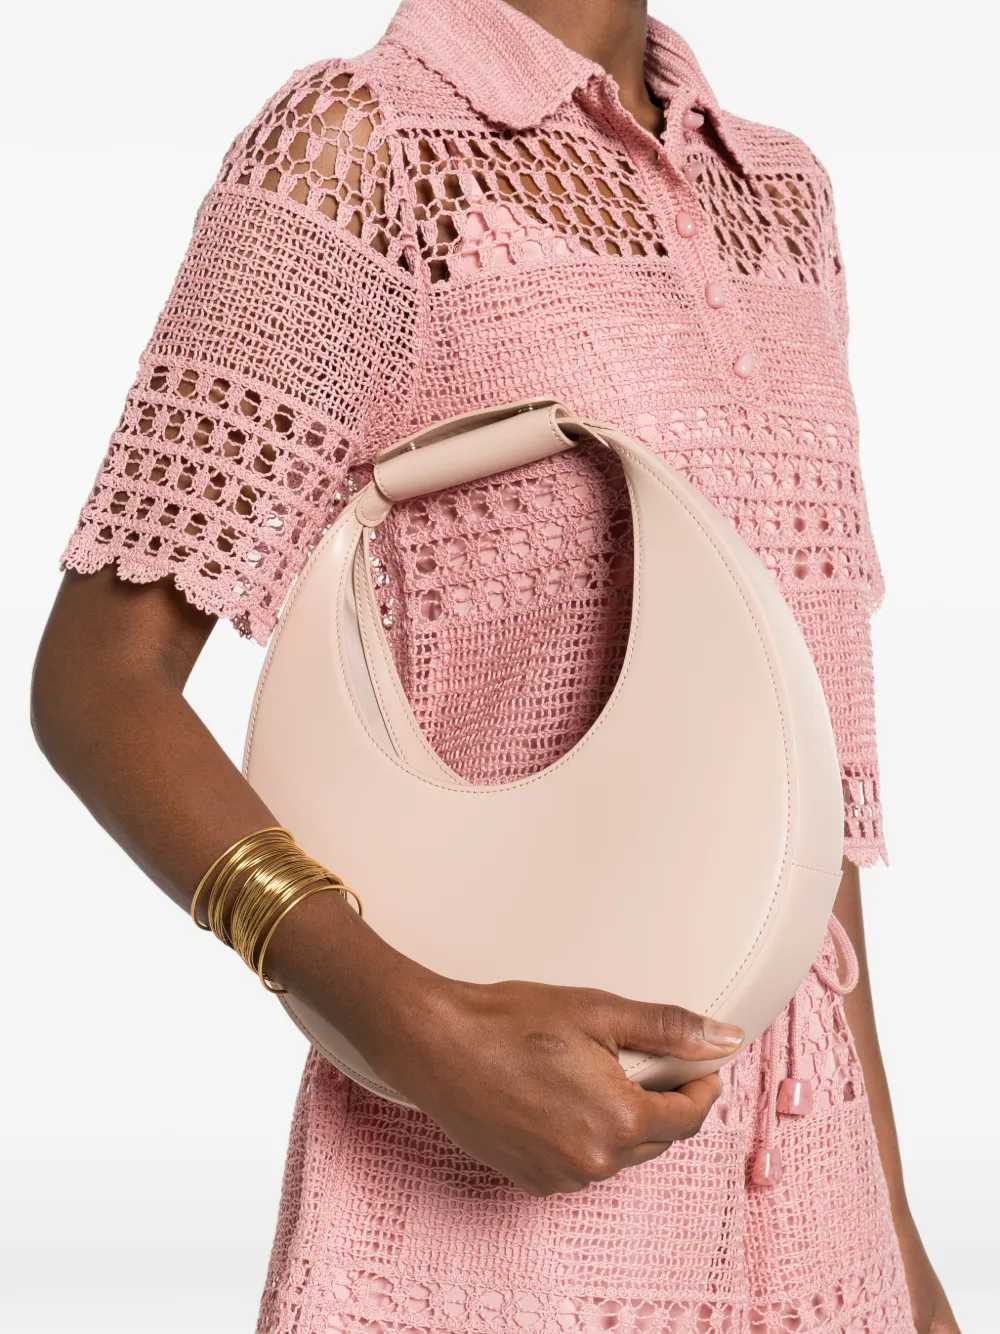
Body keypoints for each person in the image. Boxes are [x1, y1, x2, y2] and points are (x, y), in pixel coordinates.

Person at [31, 0, 959, 1329]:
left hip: (812, 1207)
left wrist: (900, 1243)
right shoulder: (366, 148)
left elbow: (803, 793)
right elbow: (97, 684)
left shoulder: (780, 198)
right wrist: (411, 1026)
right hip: (484, 1192)